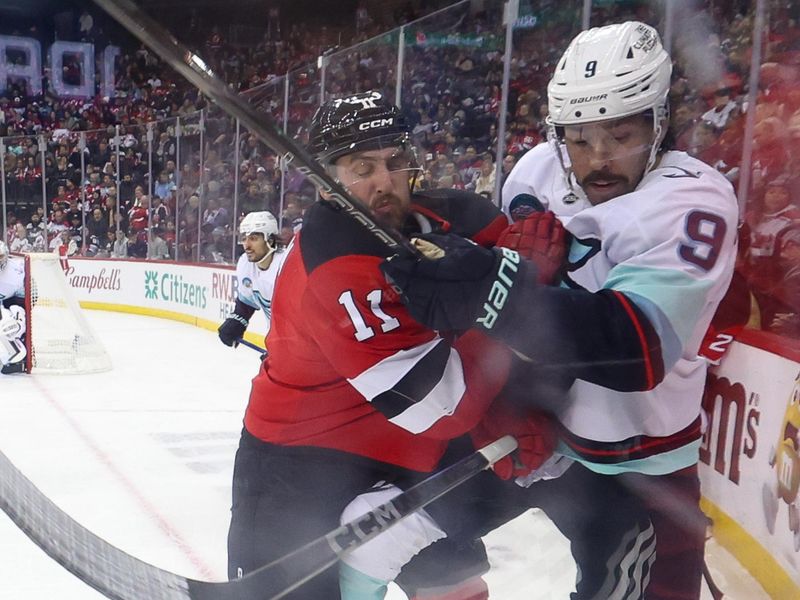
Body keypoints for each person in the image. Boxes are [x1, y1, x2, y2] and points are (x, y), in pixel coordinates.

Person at [381, 22, 739, 600]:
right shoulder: (539, 170)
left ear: (658, 122)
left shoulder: (694, 202)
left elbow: (638, 349)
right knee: (415, 544)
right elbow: (510, 284)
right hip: (536, 428)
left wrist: (488, 295)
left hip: (637, 463)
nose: (597, 159)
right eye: (579, 138)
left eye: (619, 135)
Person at [226, 91, 554, 599]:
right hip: (302, 461)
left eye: (395, 161)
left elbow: (507, 232)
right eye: (362, 167)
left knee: (455, 587)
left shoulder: (437, 215)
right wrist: (511, 296)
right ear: (326, 181)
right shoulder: (335, 268)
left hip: (406, 445)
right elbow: (441, 407)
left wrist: (521, 253)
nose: (384, 181)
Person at [217, 211, 286, 349]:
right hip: (281, 344)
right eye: (244, 238)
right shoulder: (246, 264)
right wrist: (237, 321)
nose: (246, 245)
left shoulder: (286, 266)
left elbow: (303, 320)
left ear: (270, 240)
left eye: (253, 239)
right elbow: (246, 302)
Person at [0, 241, 27, 375]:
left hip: (10, 306)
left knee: (10, 324)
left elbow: (30, 296)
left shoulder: (18, 269)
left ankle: (18, 356)